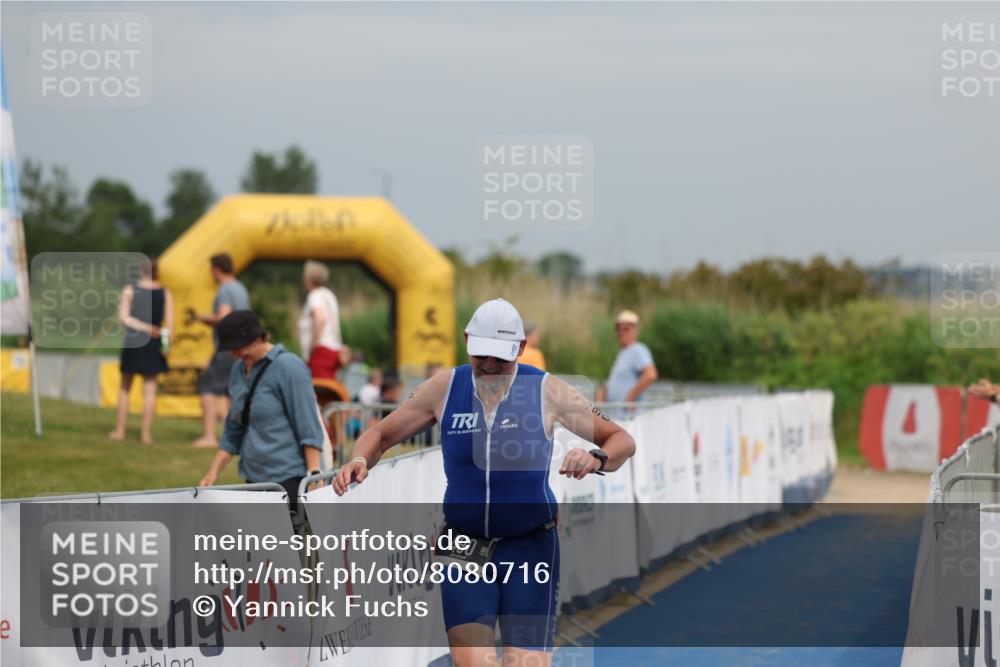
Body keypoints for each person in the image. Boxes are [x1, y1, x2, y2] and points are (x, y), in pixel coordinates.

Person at [333, 298, 635, 667]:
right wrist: (360, 460)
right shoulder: (444, 388)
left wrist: (596, 458)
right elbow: (380, 434)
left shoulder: (547, 391)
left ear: (521, 349)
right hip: (463, 547)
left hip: (528, 545)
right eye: (481, 356)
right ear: (466, 342)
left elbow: (621, 439)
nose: (490, 366)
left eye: (500, 358)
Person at [198, 310, 325, 506]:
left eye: (238, 347)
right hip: (254, 478)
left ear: (257, 339)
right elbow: (233, 430)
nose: (234, 354)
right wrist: (212, 472)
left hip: (289, 479)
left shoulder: (289, 367)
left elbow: (308, 426)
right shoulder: (238, 371)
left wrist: (314, 476)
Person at [109, 257, 173, 445]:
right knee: (150, 389)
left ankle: (120, 431)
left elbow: (124, 318)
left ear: (140, 271)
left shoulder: (130, 289)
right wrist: (166, 346)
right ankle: (146, 434)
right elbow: (169, 325)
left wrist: (144, 328)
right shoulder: (165, 293)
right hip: (154, 342)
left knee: (125, 388)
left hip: (134, 340)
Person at [192, 253, 250, 448]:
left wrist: (202, 318)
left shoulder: (225, 290)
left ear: (217, 269)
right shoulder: (241, 288)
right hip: (242, 348)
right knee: (227, 394)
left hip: (226, 348)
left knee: (207, 389)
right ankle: (231, 438)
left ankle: (209, 436)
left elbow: (224, 318)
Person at [596, 310, 658, 412]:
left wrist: (630, 398)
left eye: (626, 328)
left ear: (636, 330)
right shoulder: (623, 353)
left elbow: (651, 374)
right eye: (618, 328)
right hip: (618, 418)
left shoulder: (638, 349)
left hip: (630, 419)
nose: (621, 332)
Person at [298, 260, 343, 379]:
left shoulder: (315, 295)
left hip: (321, 352)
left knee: (316, 389)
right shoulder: (329, 295)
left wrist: (313, 346)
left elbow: (320, 319)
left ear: (308, 278)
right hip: (333, 350)